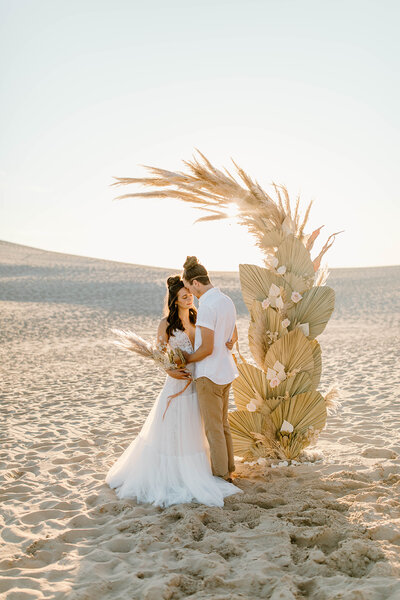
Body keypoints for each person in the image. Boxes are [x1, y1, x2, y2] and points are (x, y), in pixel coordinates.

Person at [105, 275, 242, 507]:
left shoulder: (199, 317)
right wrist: (170, 372)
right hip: (178, 383)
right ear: (175, 301)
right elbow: (158, 355)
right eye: (184, 297)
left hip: (199, 380)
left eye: (190, 295)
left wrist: (229, 341)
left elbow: (221, 333)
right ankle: (178, 472)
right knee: (176, 429)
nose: (189, 299)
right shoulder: (166, 325)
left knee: (198, 428)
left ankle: (209, 468)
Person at [181, 256, 239, 483]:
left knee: (213, 429)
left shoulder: (207, 306)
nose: (191, 294)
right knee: (223, 425)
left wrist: (187, 358)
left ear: (196, 282)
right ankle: (230, 468)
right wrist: (230, 342)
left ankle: (221, 475)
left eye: (189, 288)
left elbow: (205, 348)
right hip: (225, 371)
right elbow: (233, 334)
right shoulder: (226, 300)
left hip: (209, 374)